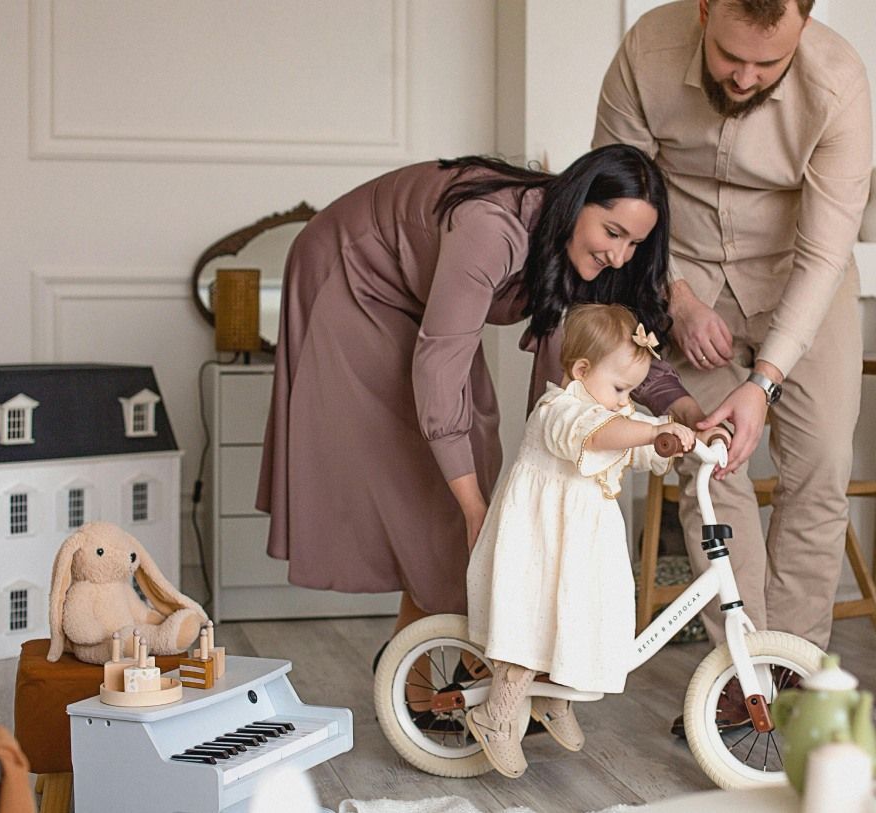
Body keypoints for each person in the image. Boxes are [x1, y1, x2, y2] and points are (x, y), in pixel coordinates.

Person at [255, 145, 713, 664]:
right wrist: (474, 508)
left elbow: (606, 348)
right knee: (441, 483)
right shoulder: (489, 230)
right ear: (577, 202)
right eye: (612, 233)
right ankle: (432, 672)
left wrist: (683, 407)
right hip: (354, 271)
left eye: (636, 243)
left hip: (419, 290)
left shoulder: (583, 253)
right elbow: (438, 367)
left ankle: (417, 655)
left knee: (477, 441)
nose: (620, 256)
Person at [593, 0, 872, 727]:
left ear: (803, 26)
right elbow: (612, 190)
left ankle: (796, 671)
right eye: (729, 57)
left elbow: (824, 251)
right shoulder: (646, 50)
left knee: (818, 471)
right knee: (712, 471)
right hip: (685, 281)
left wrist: (766, 379)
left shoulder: (840, 81)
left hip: (802, 281)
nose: (745, 77)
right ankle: (740, 682)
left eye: (767, 62)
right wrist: (675, 297)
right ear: (704, 10)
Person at [465, 304, 696, 778]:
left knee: (577, 619)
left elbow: (637, 445)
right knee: (531, 623)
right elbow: (602, 436)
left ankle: (552, 697)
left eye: (632, 390)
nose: (624, 400)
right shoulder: (560, 410)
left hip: (580, 550)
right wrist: (654, 431)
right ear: (581, 371)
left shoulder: (616, 413)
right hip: (540, 542)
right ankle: (498, 714)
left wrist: (677, 440)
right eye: (618, 388)